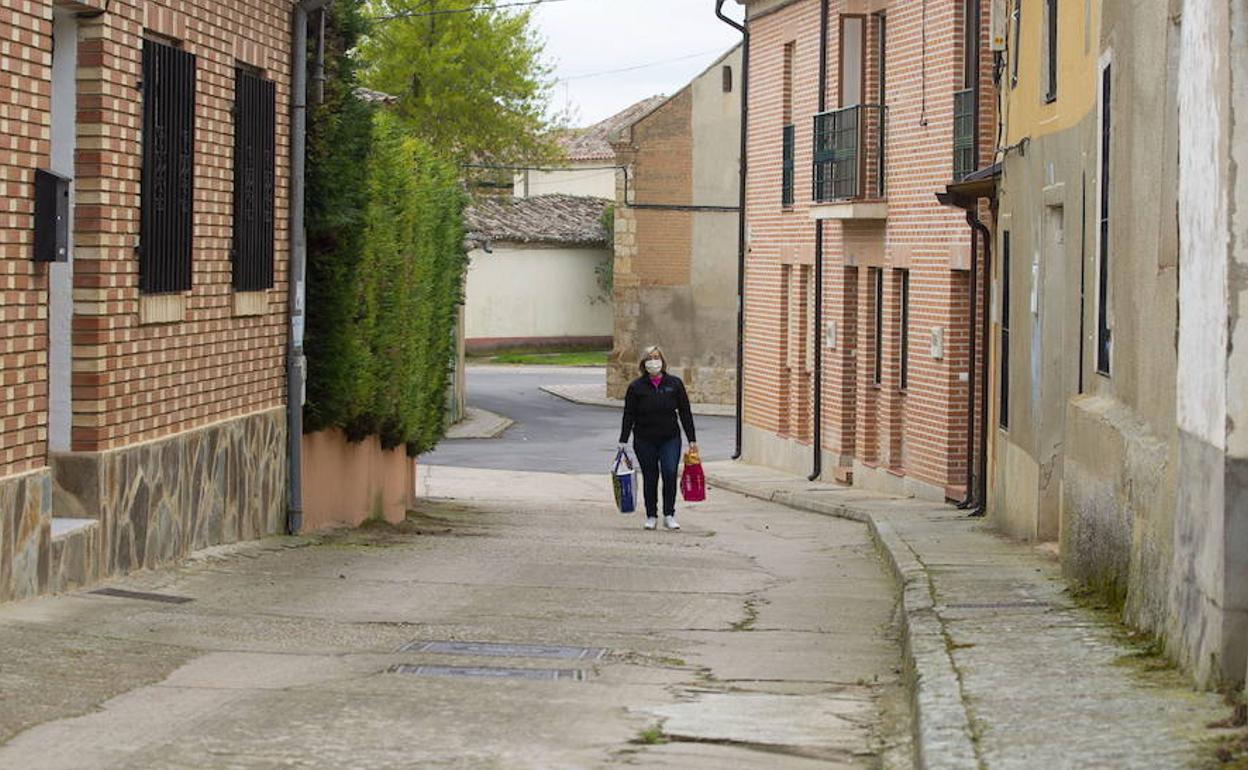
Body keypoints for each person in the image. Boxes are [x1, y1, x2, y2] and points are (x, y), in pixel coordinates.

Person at [618, 345, 698, 530]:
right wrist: (623, 440)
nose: (653, 361)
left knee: (670, 472)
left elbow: (685, 412)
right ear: (644, 363)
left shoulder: (674, 384)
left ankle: (669, 513)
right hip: (644, 438)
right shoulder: (636, 387)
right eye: (649, 358)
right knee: (650, 476)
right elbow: (629, 414)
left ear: (662, 361)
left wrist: (692, 439)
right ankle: (651, 514)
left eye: (656, 357)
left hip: (669, 437)